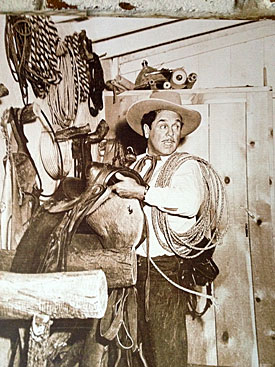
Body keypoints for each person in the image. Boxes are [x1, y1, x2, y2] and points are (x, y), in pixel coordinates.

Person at [111, 90, 205, 367]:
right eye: (163, 125)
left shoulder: (186, 167)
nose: (171, 133)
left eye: (176, 126)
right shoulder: (137, 165)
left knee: (167, 348)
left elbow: (189, 203)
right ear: (146, 129)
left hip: (167, 267)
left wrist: (142, 192)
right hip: (133, 266)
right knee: (134, 343)